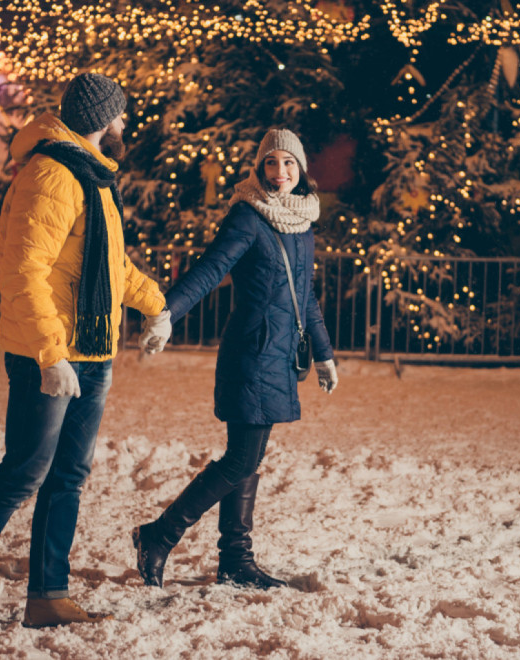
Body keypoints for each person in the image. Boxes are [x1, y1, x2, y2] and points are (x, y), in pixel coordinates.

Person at [0, 72, 168, 638]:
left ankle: (47, 594)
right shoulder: (53, 174)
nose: (125, 124)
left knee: (68, 476)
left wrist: (155, 305)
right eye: (121, 114)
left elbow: (109, 268)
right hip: (51, 353)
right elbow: (23, 270)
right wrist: (48, 354)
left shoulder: (91, 176)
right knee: (22, 473)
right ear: (102, 119)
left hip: (91, 350)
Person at [132, 128, 339, 590]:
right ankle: (160, 535)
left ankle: (235, 561)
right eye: (270, 163)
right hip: (252, 353)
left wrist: (324, 354)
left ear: (301, 168)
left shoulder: (302, 223)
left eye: (288, 163)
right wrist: (167, 313)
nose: (279, 172)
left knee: (247, 459)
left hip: (281, 357)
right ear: (258, 168)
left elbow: (306, 299)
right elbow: (209, 269)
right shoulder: (248, 217)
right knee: (241, 460)